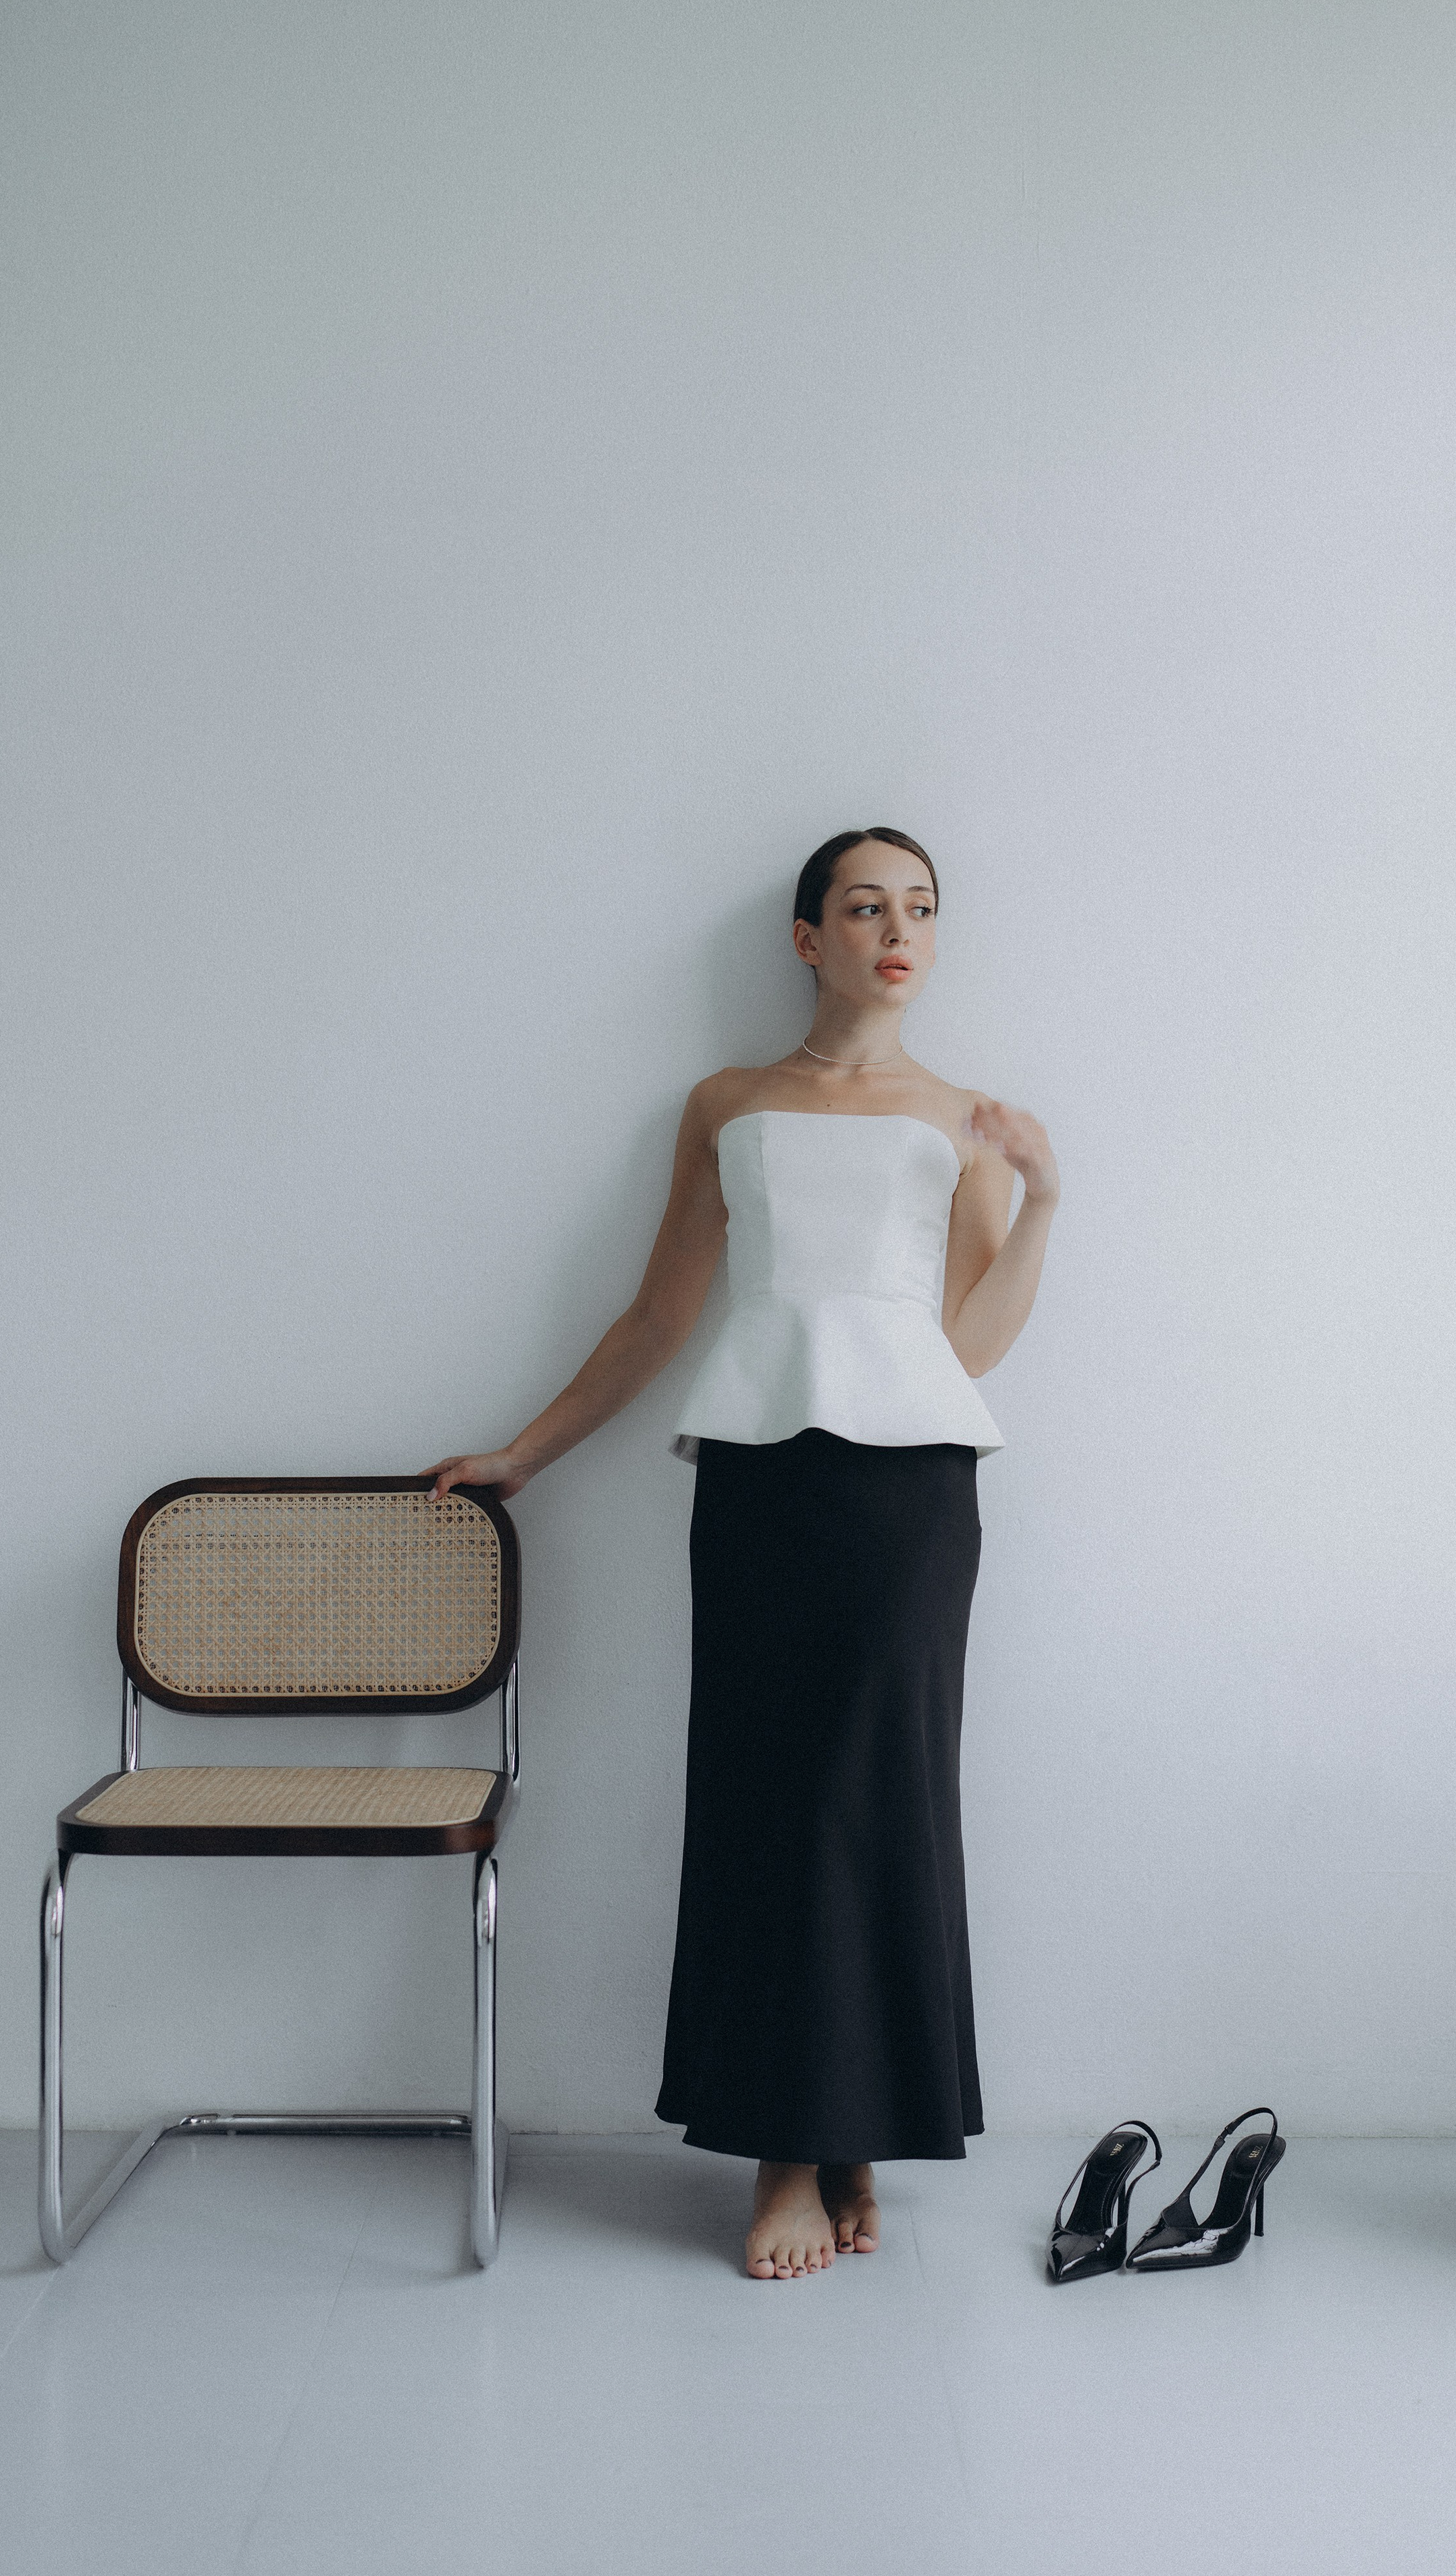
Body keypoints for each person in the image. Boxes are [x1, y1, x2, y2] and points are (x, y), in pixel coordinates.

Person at [425, 827, 1059, 2280]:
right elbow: (658, 1319)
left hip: (909, 1495)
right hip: (760, 1485)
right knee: (768, 1798)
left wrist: (1043, 1205)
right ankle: (788, 2144)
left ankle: (851, 2131)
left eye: (918, 908)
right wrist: (526, 1451)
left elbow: (962, 1345)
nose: (894, 929)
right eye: (862, 905)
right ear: (805, 937)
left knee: (880, 1798)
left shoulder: (960, 1118)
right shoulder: (728, 1105)